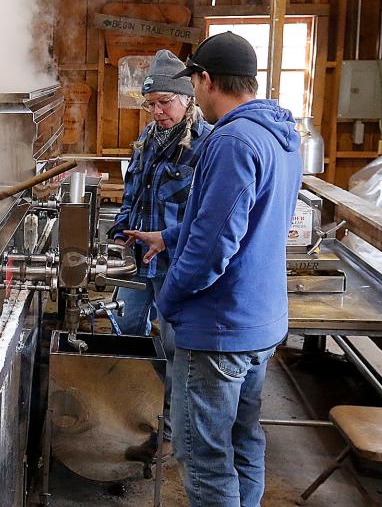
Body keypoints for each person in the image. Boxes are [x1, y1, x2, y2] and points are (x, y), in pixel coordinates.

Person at [125, 31, 302, 507]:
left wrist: (169, 301)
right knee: (244, 441)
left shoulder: (230, 141)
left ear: (204, 80)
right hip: (259, 320)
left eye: (192, 85)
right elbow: (247, 223)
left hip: (218, 326)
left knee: (203, 456)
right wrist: (168, 237)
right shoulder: (281, 136)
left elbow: (213, 247)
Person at [106, 49, 212, 463]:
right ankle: (133, 416)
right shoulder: (148, 141)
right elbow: (134, 193)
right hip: (137, 262)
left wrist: (165, 238)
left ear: (188, 99)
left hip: (175, 266)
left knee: (173, 348)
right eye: (151, 104)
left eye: (164, 102)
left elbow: (206, 218)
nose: (157, 112)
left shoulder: (205, 146)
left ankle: (166, 432)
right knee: (127, 336)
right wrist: (120, 234)